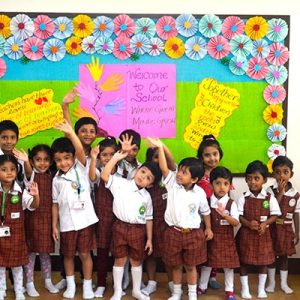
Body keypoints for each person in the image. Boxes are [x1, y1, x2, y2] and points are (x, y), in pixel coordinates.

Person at [148, 137, 213, 300]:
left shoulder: (199, 193)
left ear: (194, 179)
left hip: (193, 234)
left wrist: (209, 228)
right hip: (173, 232)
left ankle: (192, 294)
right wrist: (161, 147)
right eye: (180, 170)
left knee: (191, 266)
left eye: (184, 172)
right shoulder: (172, 185)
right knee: (175, 265)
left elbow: (205, 212)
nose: (179, 174)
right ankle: (176, 293)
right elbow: (164, 168)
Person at [101, 138, 161, 300]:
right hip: (120, 227)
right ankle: (118, 291)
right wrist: (118, 156)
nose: (143, 177)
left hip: (138, 231)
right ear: (138, 170)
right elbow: (105, 175)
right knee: (119, 259)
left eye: (148, 178)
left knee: (136, 261)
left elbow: (149, 218)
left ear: (150, 185)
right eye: (143, 172)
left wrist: (149, 239)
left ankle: (136, 290)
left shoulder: (146, 196)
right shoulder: (121, 184)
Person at [51, 122, 98, 299]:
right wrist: (54, 225)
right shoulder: (56, 180)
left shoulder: (81, 168)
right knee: (68, 255)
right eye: (58, 160)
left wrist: (71, 132)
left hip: (85, 221)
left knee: (85, 254)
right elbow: (54, 204)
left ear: (73, 157)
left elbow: (79, 149)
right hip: (67, 224)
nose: (63, 163)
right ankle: (70, 285)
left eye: (67, 158)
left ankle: (87, 286)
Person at [13, 145, 59, 297]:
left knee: (45, 253)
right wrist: (25, 161)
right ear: (32, 162)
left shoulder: (53, 176)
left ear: (51, 160)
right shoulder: (31, 175)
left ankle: (48, 281)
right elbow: (27, 171)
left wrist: (54, 225)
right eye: (38, 160)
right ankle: (29, 283)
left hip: (47, 219)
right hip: (31, 219)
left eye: (46, 160)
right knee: (31, 253)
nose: (42, 163)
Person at [236, 160, 281, 299]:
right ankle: (245, 289)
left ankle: (261, 289)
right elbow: (239, 216)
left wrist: (265, 224)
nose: (252, 182)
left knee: (263, 263)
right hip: (246, 235)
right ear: (246, 179)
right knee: (244, 262)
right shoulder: (243, 197)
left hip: (263, 235)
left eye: (256, 178)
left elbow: (275, 214)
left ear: (264, 180)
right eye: (249, 178)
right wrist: (248, 224)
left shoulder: (270, 198)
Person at [0, 154, 40, 300]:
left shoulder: (20, 190)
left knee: (17, 265)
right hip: (0, 234)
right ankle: (2, 289)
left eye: (12, 169)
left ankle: (18, 290)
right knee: (0, 264)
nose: (9, 172)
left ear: (17, 172)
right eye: (4, 169)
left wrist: (35, 195)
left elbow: (34, 206)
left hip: (16, 235)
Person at [198, 167, 240, 300]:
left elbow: (236, 223)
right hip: (210, 239)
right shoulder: (207, 201)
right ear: (211, 185)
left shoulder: (231, 204)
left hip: (227, 241)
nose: (222, 187)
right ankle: (202, 286)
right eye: (218, 183)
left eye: (226, 183)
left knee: (229, 267)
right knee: (207, 264)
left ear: (230, 185)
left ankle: (229, 290)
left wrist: (225, 215)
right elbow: (202, 218)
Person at [141, 143, 176, 296]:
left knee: (168, 255)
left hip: (166, 224)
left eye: (160, 157)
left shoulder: (170, 177)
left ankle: (172, 283)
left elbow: (170, 160)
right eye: (155, 157)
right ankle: (152, 282)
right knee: (150, 254)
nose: (159, 160)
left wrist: (161, 146)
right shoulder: (145, 181)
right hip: (148, 224)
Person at [89, 137, 119, 298]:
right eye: (104, 155)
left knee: (119, 252)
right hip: (102, 218)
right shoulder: (99, 171)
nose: (108, 158)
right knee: (102, 251)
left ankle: (118, 283)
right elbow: (93, 177)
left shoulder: (125, 174)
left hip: (121, 218)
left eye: (112, 154)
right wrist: (93, 159)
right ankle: (101, 283)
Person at [265, 156, 300, 294]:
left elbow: (297, 214)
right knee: (271, 256)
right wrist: (280, 192)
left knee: (284, 257)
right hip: (272, 229)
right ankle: (272, 282)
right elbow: (272, 208)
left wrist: (297, 232)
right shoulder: (269, 190)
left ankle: (284, 283)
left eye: (285, 172)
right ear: (273, 174)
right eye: (278, 172)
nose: (282, 175)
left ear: (291, 174)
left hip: (286, 230)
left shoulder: (296, 194)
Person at [196, 134, 223, 290]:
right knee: (201, 248)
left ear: (220, 154)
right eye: (207, 155)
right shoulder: (198, 175)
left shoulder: (222, 174)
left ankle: (212, 276)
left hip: (218, 219)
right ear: (201, 157)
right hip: (200, 219)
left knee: (215, 248)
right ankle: (200, 278)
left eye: (215, 154)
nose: (212, 158)